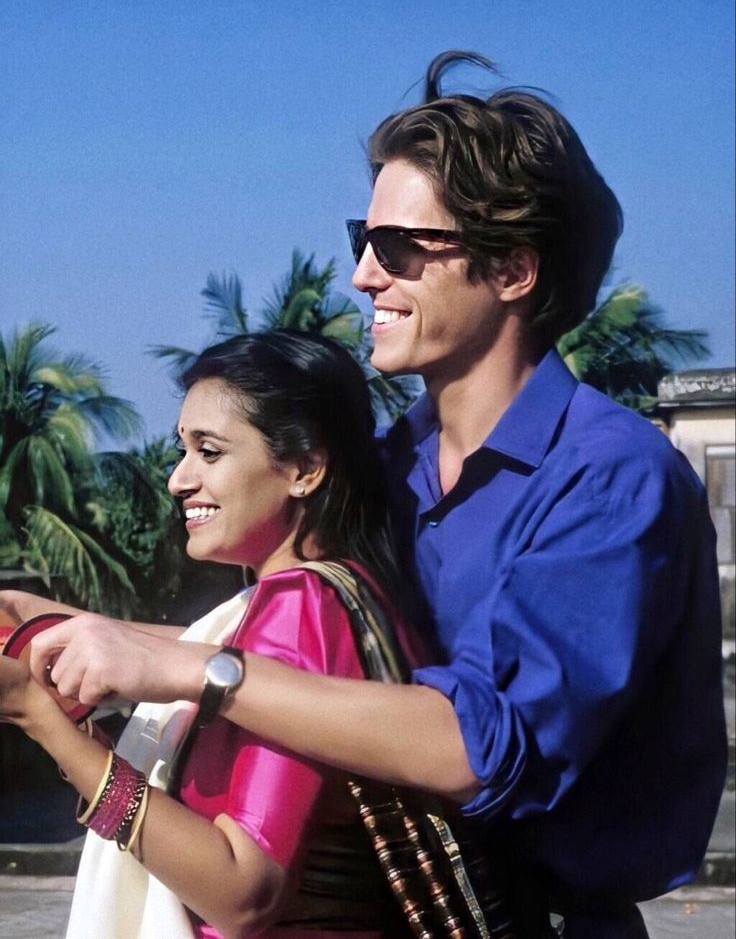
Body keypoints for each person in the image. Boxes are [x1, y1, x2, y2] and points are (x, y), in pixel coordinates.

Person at [3, 51, 727, 938]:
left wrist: (177, 665)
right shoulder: (395, 464)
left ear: (512, 272)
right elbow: (310, 657)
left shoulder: (609, 477)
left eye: (398, 249)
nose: (363, 277)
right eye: (363, 239)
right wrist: (74, 631)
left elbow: (474, 747)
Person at [0, 330, 453, 938]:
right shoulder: (319, 597)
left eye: (208, 452)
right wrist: (50, 619)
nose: (177, 480)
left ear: (304, 468)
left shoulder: (303, 603)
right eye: (181, 450)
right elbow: (216, 650)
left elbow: (242, 892)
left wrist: (43, 722)